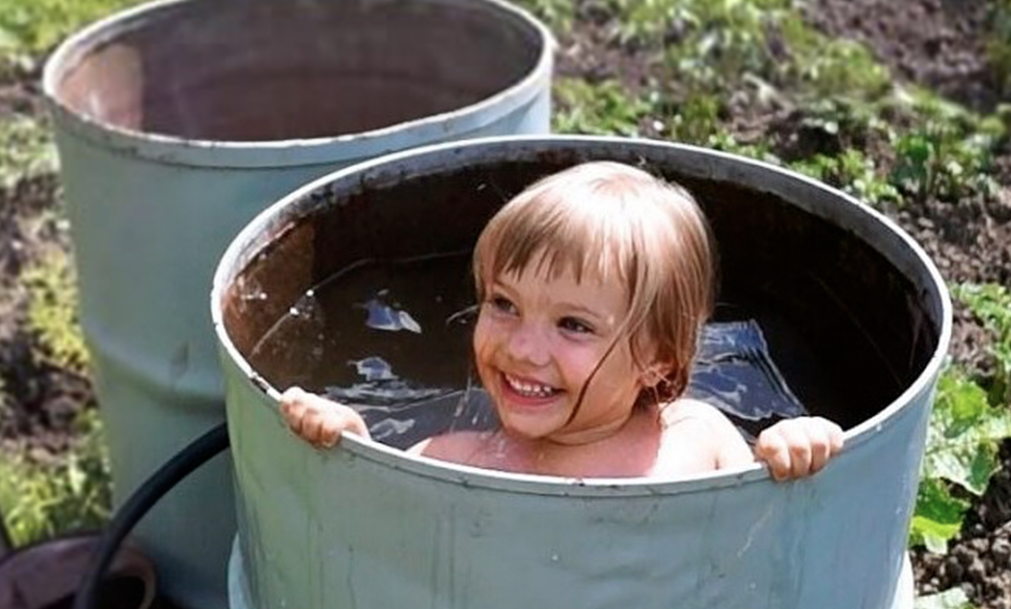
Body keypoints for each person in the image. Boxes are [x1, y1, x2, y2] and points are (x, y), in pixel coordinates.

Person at [280, 161, 844, 481]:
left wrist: (794, 449)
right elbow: (378, 541)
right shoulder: (457, 459)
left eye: (573, 325)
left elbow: (768, 539)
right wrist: (353, 448)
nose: (523, 347)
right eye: (504, 304)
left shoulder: (698, 439)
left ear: (658, 359)